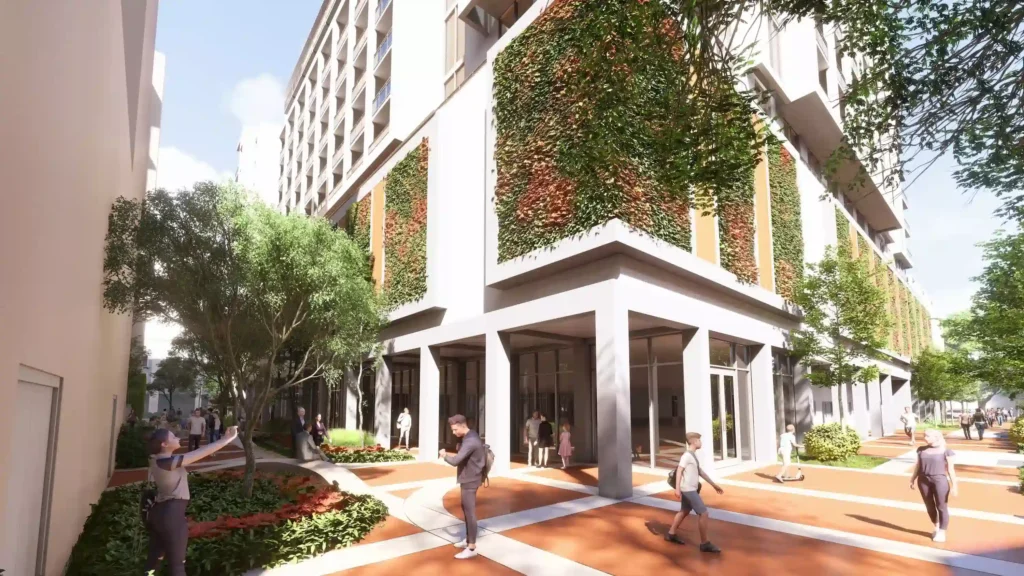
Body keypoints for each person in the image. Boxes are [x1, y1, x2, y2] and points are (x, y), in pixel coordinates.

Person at [144, 425, 238, 575]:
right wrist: (226, 439)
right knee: (177, 565)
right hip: (172, 515)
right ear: (164, 444)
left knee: (153, 561)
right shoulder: (167, 463)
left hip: (159, 512)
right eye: (173, 437)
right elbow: (201, 453)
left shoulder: (156, 460)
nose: (178, 438)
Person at [665, 432, 724, 553]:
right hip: (688, 489)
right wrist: (677, 489)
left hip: (691, 488)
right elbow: (679, 471)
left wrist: (714, 485)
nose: (700, 442)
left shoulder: (693, 455)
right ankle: (705, 543)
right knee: (704, 513)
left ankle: (671, 533)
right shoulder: (686, 456)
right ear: (693, 442)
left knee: (684, 511)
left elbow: (701, 472)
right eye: (699, 440)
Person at [439, 414, 486, 560]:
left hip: (471, 480)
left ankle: (471, 547)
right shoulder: (470, 436)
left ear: (462, 425)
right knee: (466, 509)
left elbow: (455, 461)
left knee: (470, 512)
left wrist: (444, 455)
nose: (453, 433)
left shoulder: (470, 440)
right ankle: (467, 541)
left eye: (454, 430)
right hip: (469, 478)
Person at [910, 429, 958, 542]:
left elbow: (951, 470)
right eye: (924, 435)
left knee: (941, 506)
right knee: (929, 506)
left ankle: (942, 531)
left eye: (927, 436)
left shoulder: (946, 451)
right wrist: (912, 479)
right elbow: (918, 466)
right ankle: (936, 526)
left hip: (939, 481)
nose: (924, 438)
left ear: (936, 437)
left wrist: (955, 486)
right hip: (923, 480)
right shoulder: (921, 450)